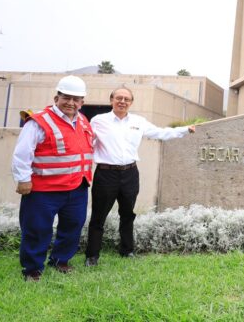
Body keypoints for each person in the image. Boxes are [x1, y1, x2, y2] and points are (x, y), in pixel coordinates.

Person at [84, 87, 196, 266]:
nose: (122, 101)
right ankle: (92, 256)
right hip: (106, 174)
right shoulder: (98, 121)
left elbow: (160, 133)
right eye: (118, 98)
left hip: (130, 173)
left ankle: (127, 250)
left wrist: (184, 130)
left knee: (127, 214)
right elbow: (87, 142)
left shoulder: (138, 121)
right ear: (111, 99)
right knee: (99, 216)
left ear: (131, 102)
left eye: (126, 99)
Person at [11, 75, 93, 281]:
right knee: (37, 230)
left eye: (76, 99)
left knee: (73, 226)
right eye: (66, 97)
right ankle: (32, 269)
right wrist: (23, 179)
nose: (71, 103)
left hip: (77, 187)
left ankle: (60, 260)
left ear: (82, 102)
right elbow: (22, 153)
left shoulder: (82, 120)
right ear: (57, 97)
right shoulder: (39, 121)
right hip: (43, 189)